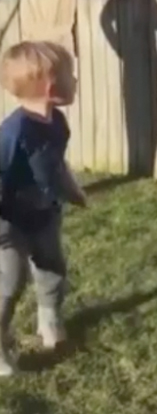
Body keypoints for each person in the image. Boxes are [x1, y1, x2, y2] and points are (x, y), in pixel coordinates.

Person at [0, 41, 87, 376]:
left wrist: (73, 190)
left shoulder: (57, 123)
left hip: (44, 214)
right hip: (8, 222)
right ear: (52, 87)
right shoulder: (13, 132)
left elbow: (56, 163)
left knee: (52, 267)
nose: (76, 80)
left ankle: (49, 320)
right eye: (72, 75)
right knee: (11, 280)